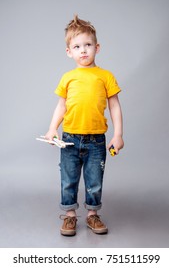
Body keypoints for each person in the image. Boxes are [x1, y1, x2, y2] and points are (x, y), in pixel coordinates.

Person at [45, 15, 124, 236]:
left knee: (94, 181)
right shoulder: (68, 78)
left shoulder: (106, 77)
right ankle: (70, 216)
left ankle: (92, 215)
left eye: (88, 45)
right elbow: (61, 107)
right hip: (70, 139)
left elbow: (115, 106)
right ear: (69, 51)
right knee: (68, 179)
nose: (83, 50)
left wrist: (118, 135)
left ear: (97, 48)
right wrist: (52, 129)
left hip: (97, 140)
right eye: (77, 46)